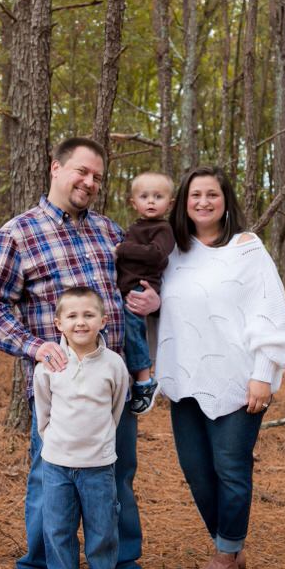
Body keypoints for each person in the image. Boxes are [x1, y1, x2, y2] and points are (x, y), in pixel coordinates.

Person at [0, 137, 171, 569]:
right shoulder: (19, 233)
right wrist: (37, 346)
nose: (89, 182)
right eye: (82, 171)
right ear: (56, 168)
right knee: (49, 480)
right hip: (58, 390)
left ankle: (123, 567)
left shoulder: (111, 232)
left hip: (111, 388)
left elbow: (131, 297)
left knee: (118, 476)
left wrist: (152, 304)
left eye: (98, 177)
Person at [154, 166, 285, 569]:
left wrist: (264, 374)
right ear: (183, 202)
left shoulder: (246, 248)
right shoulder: (172, 253)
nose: (203, 201)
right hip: (186, 380)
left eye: (212, 194)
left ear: (225, 201)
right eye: (194, 194)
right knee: (197, 472)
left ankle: (225, 557)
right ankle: (230, 549)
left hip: (238, 381)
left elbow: (271, 312)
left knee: (230, 470)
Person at [34, 287, 129, 569]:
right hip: (57, 463)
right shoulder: (48, 365)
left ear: (103, 320)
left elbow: (116, 410)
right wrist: (54, 442)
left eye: (88, 315)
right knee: (58, 528)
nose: (81, 322)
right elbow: (43, 412)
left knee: (102, 532)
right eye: (72, 316)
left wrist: (98, 442)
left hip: (99, 465)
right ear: (58, 323)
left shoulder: (114, 364)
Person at [115, 172, 176, 415]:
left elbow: (155, 254)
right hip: (126, 286)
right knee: (125, 328)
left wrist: (123, 249)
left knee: (132, 324)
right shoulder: (136, 227)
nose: (151, 201)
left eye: (158, 196)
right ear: (133, 202)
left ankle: (144, 379)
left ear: (169, 203)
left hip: (142, 286)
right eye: (144, 196)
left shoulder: (164, 229)